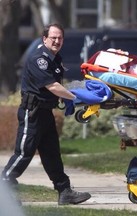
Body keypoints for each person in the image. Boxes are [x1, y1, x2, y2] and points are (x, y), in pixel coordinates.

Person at [1, 23, 91, 205]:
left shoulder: (55, 59)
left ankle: (64, 191)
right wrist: (76, 98)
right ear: (45, 39)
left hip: (45, 113)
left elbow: (56, 88)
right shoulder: (39, 59)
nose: (57, 41)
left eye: (60, 38)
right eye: (53, 38)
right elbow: (53, 86)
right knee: (24, 153)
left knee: (52, 154)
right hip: (32, 113)